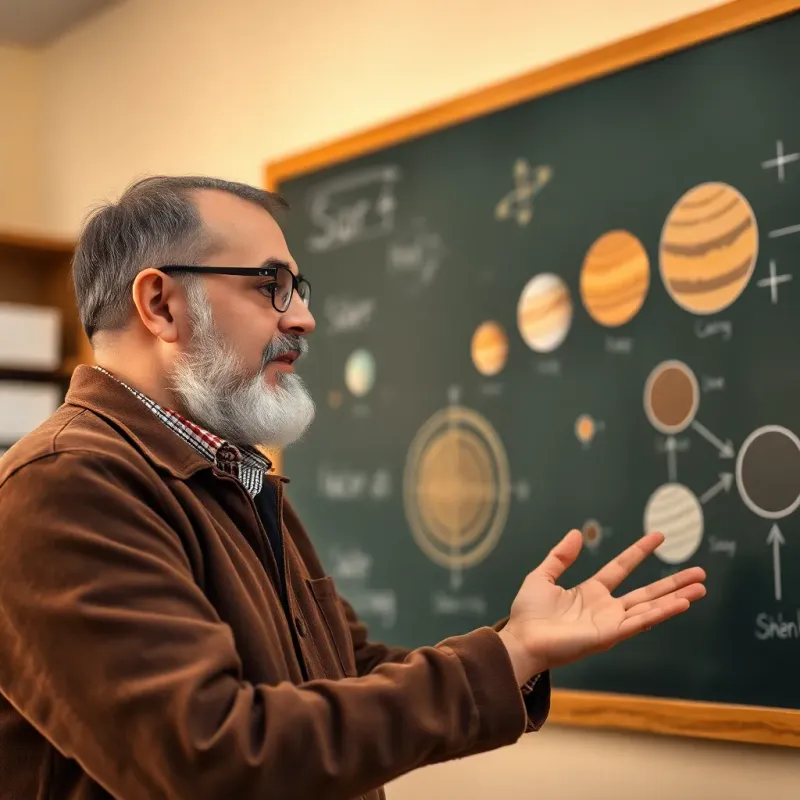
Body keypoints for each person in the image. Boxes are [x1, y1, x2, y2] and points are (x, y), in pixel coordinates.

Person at [0, 176, 706, 800]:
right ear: (160, 303)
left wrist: (521, 645)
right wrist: (505, 657)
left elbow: (344, 672)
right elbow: (213, 756)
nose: (303, 317)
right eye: (270, 284)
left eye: (299, 290)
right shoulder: (61, 489)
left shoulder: (238, 475)